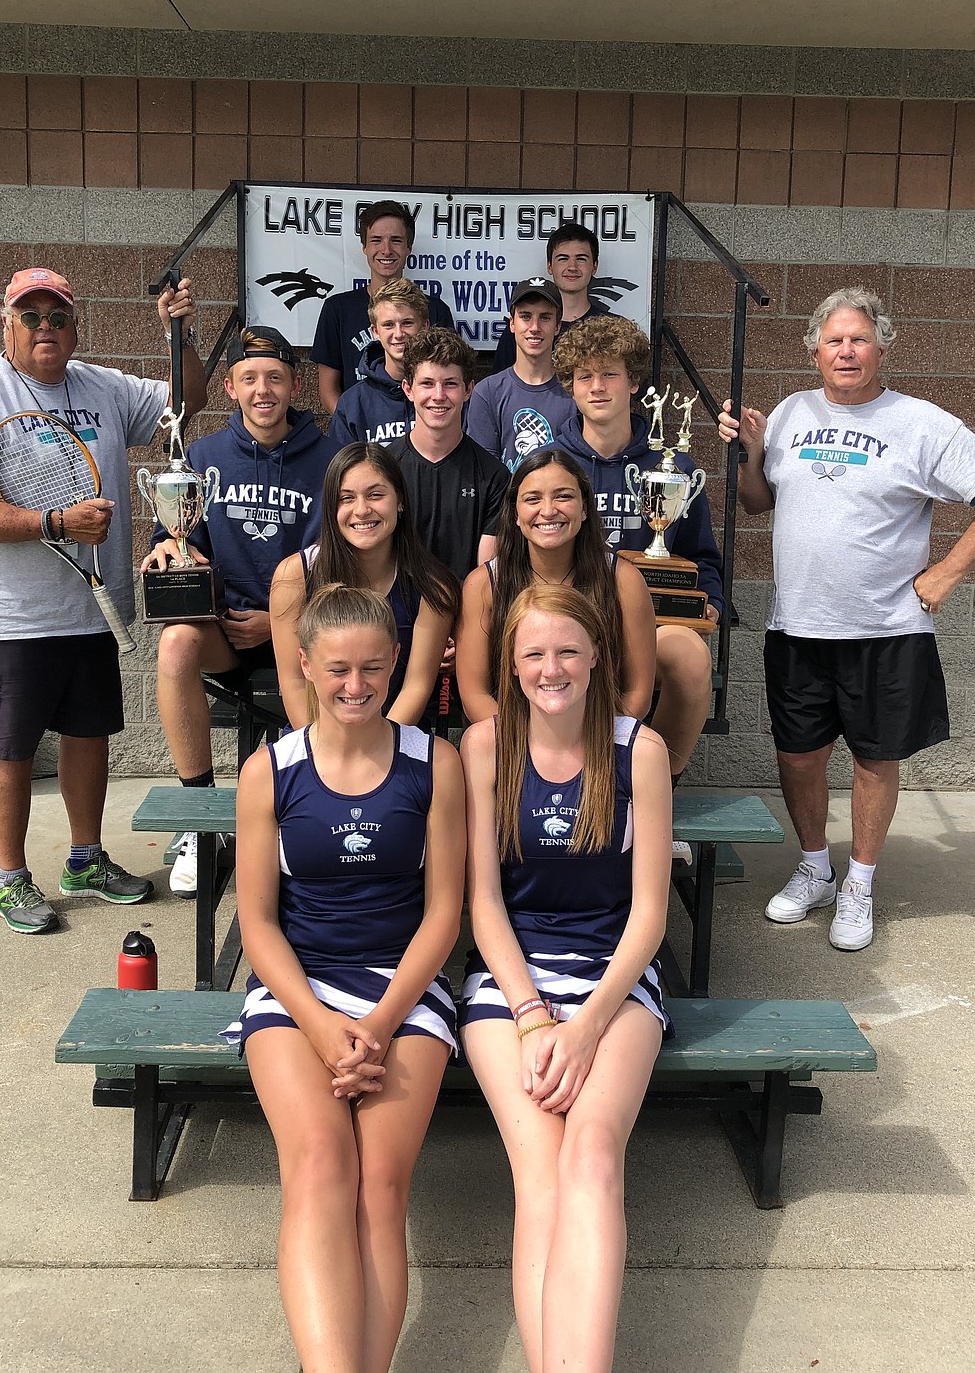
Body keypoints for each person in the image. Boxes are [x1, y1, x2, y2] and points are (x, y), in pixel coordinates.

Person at [718, 285, 975, 952]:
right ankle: (813, 868)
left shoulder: (920, 422)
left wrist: (947, 571)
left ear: (882, 346)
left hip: (886, 628)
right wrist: (748, 451)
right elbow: (754, 504)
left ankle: (859, 881)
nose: (847, 351)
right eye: (834, 340)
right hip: (798, 624)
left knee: (873, 759)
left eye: (859, 339)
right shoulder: (792, 413)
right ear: (814, 351)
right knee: (798, 756)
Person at [0, 267, 208, 934]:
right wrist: (55, 524)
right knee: (9, 747)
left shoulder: (102, 387)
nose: (45, 327)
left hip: (89, 608)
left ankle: (85, 858)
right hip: (6, 619)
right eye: (31, 316)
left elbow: (186, 399)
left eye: (58, 317)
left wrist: (180, 332)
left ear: (76, 326)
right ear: (6, 322)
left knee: (88, 735)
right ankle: (10, 877)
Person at [225, 582, 465, 1373]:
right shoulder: (272, 770)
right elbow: (257, 922)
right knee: (322, 1169)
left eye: (371, 668)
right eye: (337, 670)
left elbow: (443, 916)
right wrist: (326, 1027)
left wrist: (384, 1022)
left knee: (379, 1189)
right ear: (304, 665)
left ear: (396, 663)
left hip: (404, 993)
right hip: (300, 991)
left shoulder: (436, 762)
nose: (355, 686)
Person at [459, 583, 672, 1373]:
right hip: (510, 988)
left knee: (591, 1155)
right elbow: (482, 906)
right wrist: (534, 1017)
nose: (552, 668)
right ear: (512, 667)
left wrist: (584, 1027)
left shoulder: (637, 751)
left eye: (568, 651)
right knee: (541, 1176)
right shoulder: (484, 746)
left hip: (616, 983)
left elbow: (649, 917)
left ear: (596, 659)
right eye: (534, 654)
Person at [141, 319, 338, 896]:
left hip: (305, 636)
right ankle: (200, 824)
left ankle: (313, 812)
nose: (263, 391)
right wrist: (165, 550)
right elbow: (176, 539)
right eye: (248, 378)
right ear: (229, 387)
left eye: (275, 377)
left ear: (294, 387)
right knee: (176, 644)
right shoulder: (198, 458)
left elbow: (348, 561)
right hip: (225, 632)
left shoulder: (331, 460)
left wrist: (285, 623)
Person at [553, 313, 723, 787]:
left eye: (611, 373)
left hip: (656, 619)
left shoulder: (671, 466)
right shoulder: (551, 463)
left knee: (689, 658)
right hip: (572, 614)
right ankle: (568, 784)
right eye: (585, 375)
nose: (598, 386)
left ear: (633, 383)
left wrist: (708, 601)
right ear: (570, 385)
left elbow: (701, 554)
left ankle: (658, 789)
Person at [456, 450, 656, 726]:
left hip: (599, 737)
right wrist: (527, 747)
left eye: (563, 496)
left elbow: (637, 693)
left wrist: (592, 743)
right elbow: (475, 695)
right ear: (515, 512)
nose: (548, 511)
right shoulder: (484, 584)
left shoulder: (623, 581)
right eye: (532, 499)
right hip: (509, 738)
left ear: (585, 508)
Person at [269, 444, 459, 728]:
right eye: (346, 498)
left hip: (395, 736)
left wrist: (379, 747)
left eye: (375, 495)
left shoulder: (432, 587)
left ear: (400, 501)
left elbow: (415, 688)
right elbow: (295, 682)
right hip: (313, 736)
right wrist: (325, 750)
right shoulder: (294, 576)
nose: (361, 510)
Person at [311, 199, 455, 413]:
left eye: (396, 240)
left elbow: (449, 379)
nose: (386, 250)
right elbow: (328, 389)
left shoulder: (435, 310)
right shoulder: (337, 309)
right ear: (365, 247)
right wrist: (354, 433)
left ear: (409, 247)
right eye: (376, 240)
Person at [388, 326, 508, 580]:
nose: (439, 396)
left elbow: (486, 578)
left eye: (450, 384)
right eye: (427, 384)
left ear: (468, 390)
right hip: (393, 615)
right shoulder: (384, 468)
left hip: (465, 612)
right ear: (408, 390)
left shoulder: (493, 476)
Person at [466, 277, 577, 473]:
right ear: (512, 324)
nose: (534, 327)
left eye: (545, 317)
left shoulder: (574, 391)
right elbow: (484, 474)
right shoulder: (487, 393)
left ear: (558, 326)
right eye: (525, 316)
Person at [491, 223, 609, 374]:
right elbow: (499, 388)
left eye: (581, 259)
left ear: (594, 266)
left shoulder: (611, 329)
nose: (572, 266)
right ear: (549, 266)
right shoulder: (520, 331)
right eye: (563, 258)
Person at [329, 277, 426, 446]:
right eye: (388, 325)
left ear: (424, 327)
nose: (398, 334)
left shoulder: (443, 394)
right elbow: (341, 469)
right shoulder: (353, 403)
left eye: (407, 323)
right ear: (375, 332)